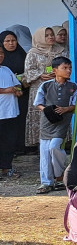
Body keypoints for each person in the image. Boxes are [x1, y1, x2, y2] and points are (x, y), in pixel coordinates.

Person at [34, 56, 77, 193]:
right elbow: (38, 103)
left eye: (70, 68)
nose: (68, 70)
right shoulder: (45, 85)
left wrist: (66, 109)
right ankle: (46, 182)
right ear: (55, 70)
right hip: (47, 122)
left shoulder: (73, 86)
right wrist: (48, 111)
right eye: (64, 68)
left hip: (62, 122)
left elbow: (76, 104)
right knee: (45, 152)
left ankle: (59, 175)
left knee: (54, 147)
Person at [23, 27, 61, 149]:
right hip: (39, 89)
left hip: (56, 87)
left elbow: (66, 65)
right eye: (46, 35)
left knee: (56, 113)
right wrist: (40, 75)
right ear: (39, 37)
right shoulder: (33, 53)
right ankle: (41, 145)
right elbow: (28, 72)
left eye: (51, 35)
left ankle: (57, 142)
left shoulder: (60, 50)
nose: (50, 37)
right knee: (41, 115)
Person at [1, 30, 29, 157]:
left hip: (18, 98)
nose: (11, 43)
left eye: (13, 40)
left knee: (17, 124)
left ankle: (18, 148)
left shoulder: (22, 55)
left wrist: (18, 87)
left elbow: (19, 80)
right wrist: (7, 90)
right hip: (3, 103)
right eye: (7, 41)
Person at [0, 46, 22, 178]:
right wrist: (5, 90)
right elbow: (8, 89)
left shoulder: (6, 69)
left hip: (10, 112)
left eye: (1, 53)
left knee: (8, 142)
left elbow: (17, 84)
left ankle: (6, 167)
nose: (0, 55)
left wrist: (17, 90)